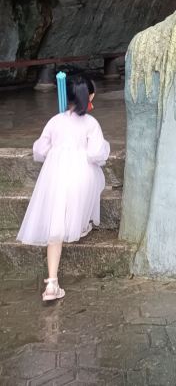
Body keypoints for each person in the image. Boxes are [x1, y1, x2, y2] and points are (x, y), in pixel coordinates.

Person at [17, 72, 110, 301]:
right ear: (90, 96)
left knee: (56, 223)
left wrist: (57, 152)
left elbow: (39, 151)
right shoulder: (91, 123)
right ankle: (81, 224)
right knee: (97, 178)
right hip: (82, 177)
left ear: (66, 96)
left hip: (55, 176)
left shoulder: (55, 121)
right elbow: (96, 154)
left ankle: (52, 283)